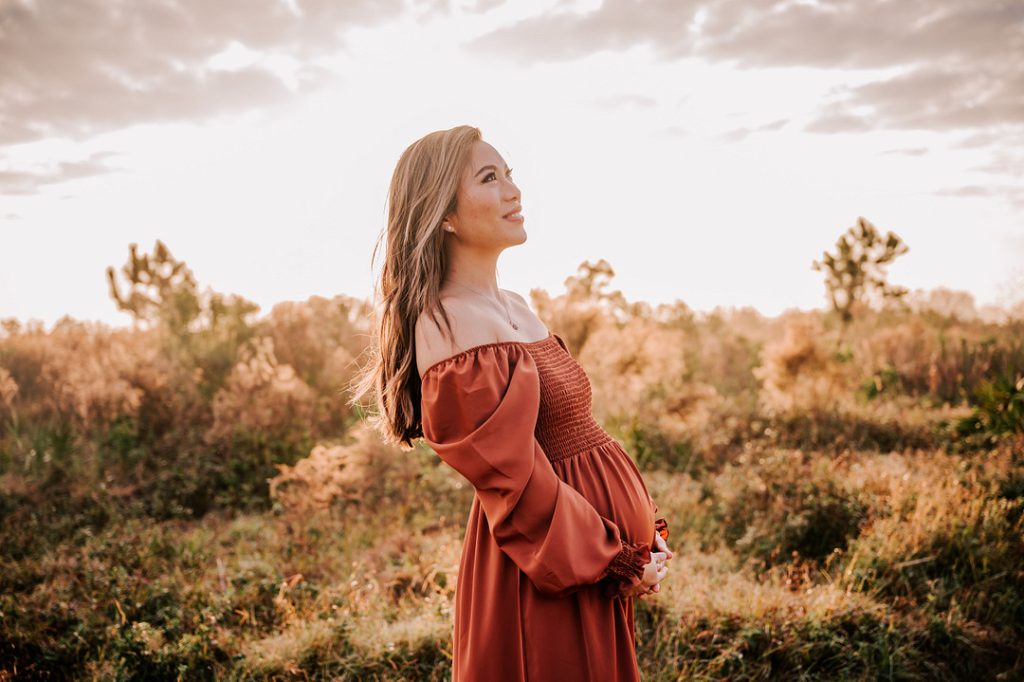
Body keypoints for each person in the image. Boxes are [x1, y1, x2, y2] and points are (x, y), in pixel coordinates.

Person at [351, 124, 672, 681]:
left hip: (588, 562)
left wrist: (639, 541)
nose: (513, 192)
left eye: (511, 174)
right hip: (543, 568)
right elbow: (513, 480)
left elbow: (574, 436)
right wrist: (614, 556)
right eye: (489, 178)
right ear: (444, 213)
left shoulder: (517, 306)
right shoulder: (446, 322)